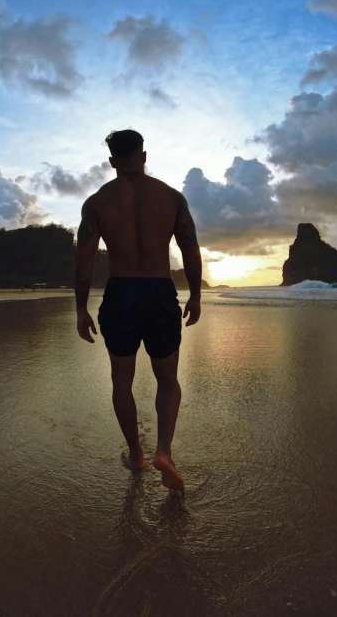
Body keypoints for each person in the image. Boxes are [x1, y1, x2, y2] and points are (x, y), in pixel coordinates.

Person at [74, 129, 202, 490]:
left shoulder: (97, 202)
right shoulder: (171, 197)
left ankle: (137, 455)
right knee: (167, 380)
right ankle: (164, 451)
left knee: (121, 381)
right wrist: (195, 295)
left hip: (121, 294)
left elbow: (84, 260)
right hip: (159, 292)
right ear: (143, 157)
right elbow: (190, 248)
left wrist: (81, 309)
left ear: (112, 161)